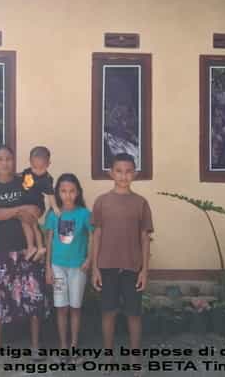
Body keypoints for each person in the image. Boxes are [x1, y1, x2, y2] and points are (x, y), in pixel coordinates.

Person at [0, 145, 50, 361]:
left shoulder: (25, 181)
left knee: (34, 295)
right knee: (0, 295)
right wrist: (20, 210)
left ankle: (36, 345)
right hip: (3, 250)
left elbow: (37, 209)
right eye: (0, 159)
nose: (5, 163)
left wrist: (21, 211)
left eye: (9, 158)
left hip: (29, 250)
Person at [91, 153, 154, 376]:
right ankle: (108, 356)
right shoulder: (101, 202)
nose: (123, 176)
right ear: (111, 173)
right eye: (119, 171)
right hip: (106, 266)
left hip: (132, 267)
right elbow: (97, 235)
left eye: (128, 171)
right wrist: (95, 268)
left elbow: (145, 238)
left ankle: (134, 357)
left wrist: (144, 271)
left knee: (133, 314)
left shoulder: (141, 203)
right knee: (108, 312)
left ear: (134, 174)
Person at [43, 173, 93, 364]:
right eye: (63, 191)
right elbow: (49, 242)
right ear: (57, 193)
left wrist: (89, 259)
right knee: (61, 307)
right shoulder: (54, 214)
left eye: (72, 191)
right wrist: (48, 268)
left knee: (75, 307)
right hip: (57, 267)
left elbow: (94, 236)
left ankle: (73, 347)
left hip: (78, 268)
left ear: (78, 192)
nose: (68, 195)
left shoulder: (84, 214)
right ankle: (63, 347)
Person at [19, 146, 58, 262]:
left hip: (36, 205)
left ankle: (36, 247)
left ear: (48, 164)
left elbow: (51, 194)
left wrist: (55, 207)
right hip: (25, 205)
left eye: (41, 168)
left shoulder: (46, 179)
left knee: (32, 224)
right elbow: (20, 176)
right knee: (28, 223)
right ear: (30, 162)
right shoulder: (27, 172)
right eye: (35, 167)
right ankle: (35, 247)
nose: (37, 171)